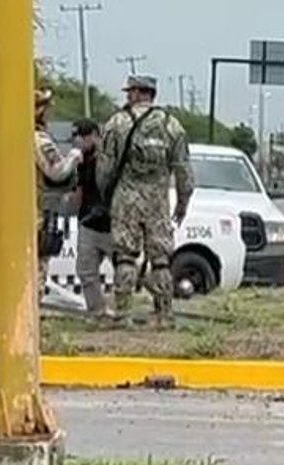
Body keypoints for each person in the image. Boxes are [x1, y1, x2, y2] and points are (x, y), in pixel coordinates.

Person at [97, 75, 193, 327]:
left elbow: (104, 168)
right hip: (157, 200)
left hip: (126, 198)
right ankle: (164, 314)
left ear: (139, 93)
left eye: (131, 92)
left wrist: (106, 194)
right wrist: (183, 202)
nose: (128, 96)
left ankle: (123, 314)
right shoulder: (172, 125)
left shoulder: (117, 123)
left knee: (125, 256)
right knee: (161, 258)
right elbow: (184, 170)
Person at [34, 88, 82, 288]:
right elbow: (57, 171)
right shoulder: (39, 139)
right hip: (36, 212)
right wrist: (74, 155)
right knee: (38, 271)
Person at [70, 119, 114, 320]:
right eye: (78, 137)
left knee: (127, 269)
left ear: (96, 134)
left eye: (85, 136)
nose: (82, 141)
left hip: (111, 223)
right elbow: (79, 189)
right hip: (88, 222)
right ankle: (97, 312)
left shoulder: (109, 159)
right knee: (86, 271)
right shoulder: (82, 161)